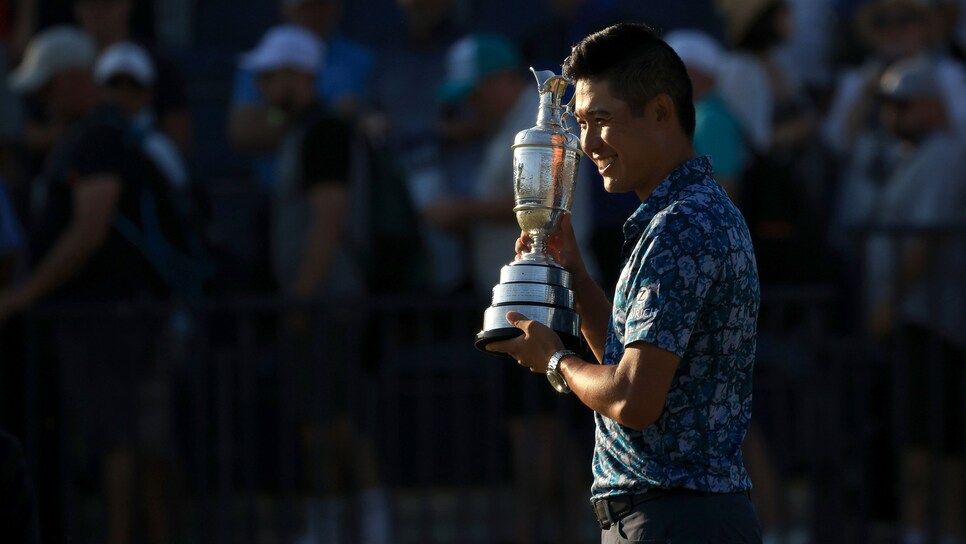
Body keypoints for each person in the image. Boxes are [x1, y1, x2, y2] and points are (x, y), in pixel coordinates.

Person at [485, 22, 762, 543]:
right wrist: (578, 278)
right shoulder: (688, 213)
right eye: (581, 123)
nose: (586, 143)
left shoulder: (681, 223)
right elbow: (630, 364)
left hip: (674, 522)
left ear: (660, 112)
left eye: (601, 121)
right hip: (679, 518)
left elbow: (635, 400)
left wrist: (553, 360)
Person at [2, 26, 193, 544]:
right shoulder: (84, 138)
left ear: (73, 79)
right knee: (134, 440)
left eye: (47, 86)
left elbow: (89, 230)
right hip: (116, 318)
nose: (39, 99)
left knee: (121, 441)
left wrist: (21, 296)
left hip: (111, 321)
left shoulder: (98, 138)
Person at [240, 24, 392, 544]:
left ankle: (371, 527)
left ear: (298, 77)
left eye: (269, 76)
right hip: (319, 300)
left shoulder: (325, 133)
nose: (261, 88)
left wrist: (300, 299)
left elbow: (328, 222)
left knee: (341, 420)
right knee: (318, 422)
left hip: (329, 301)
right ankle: (328, 523)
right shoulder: (305, 133)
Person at [850, 56, 966, 544]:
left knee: (933, 442)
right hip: (914, 321)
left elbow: (922, 241)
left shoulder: (944, 154)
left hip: (933, 322)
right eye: (888, 105)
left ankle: (934, 533)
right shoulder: (904, 156)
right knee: (918, 436)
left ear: (934, 109)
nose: (893, 115)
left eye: (905, 105)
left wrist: (887, 302)